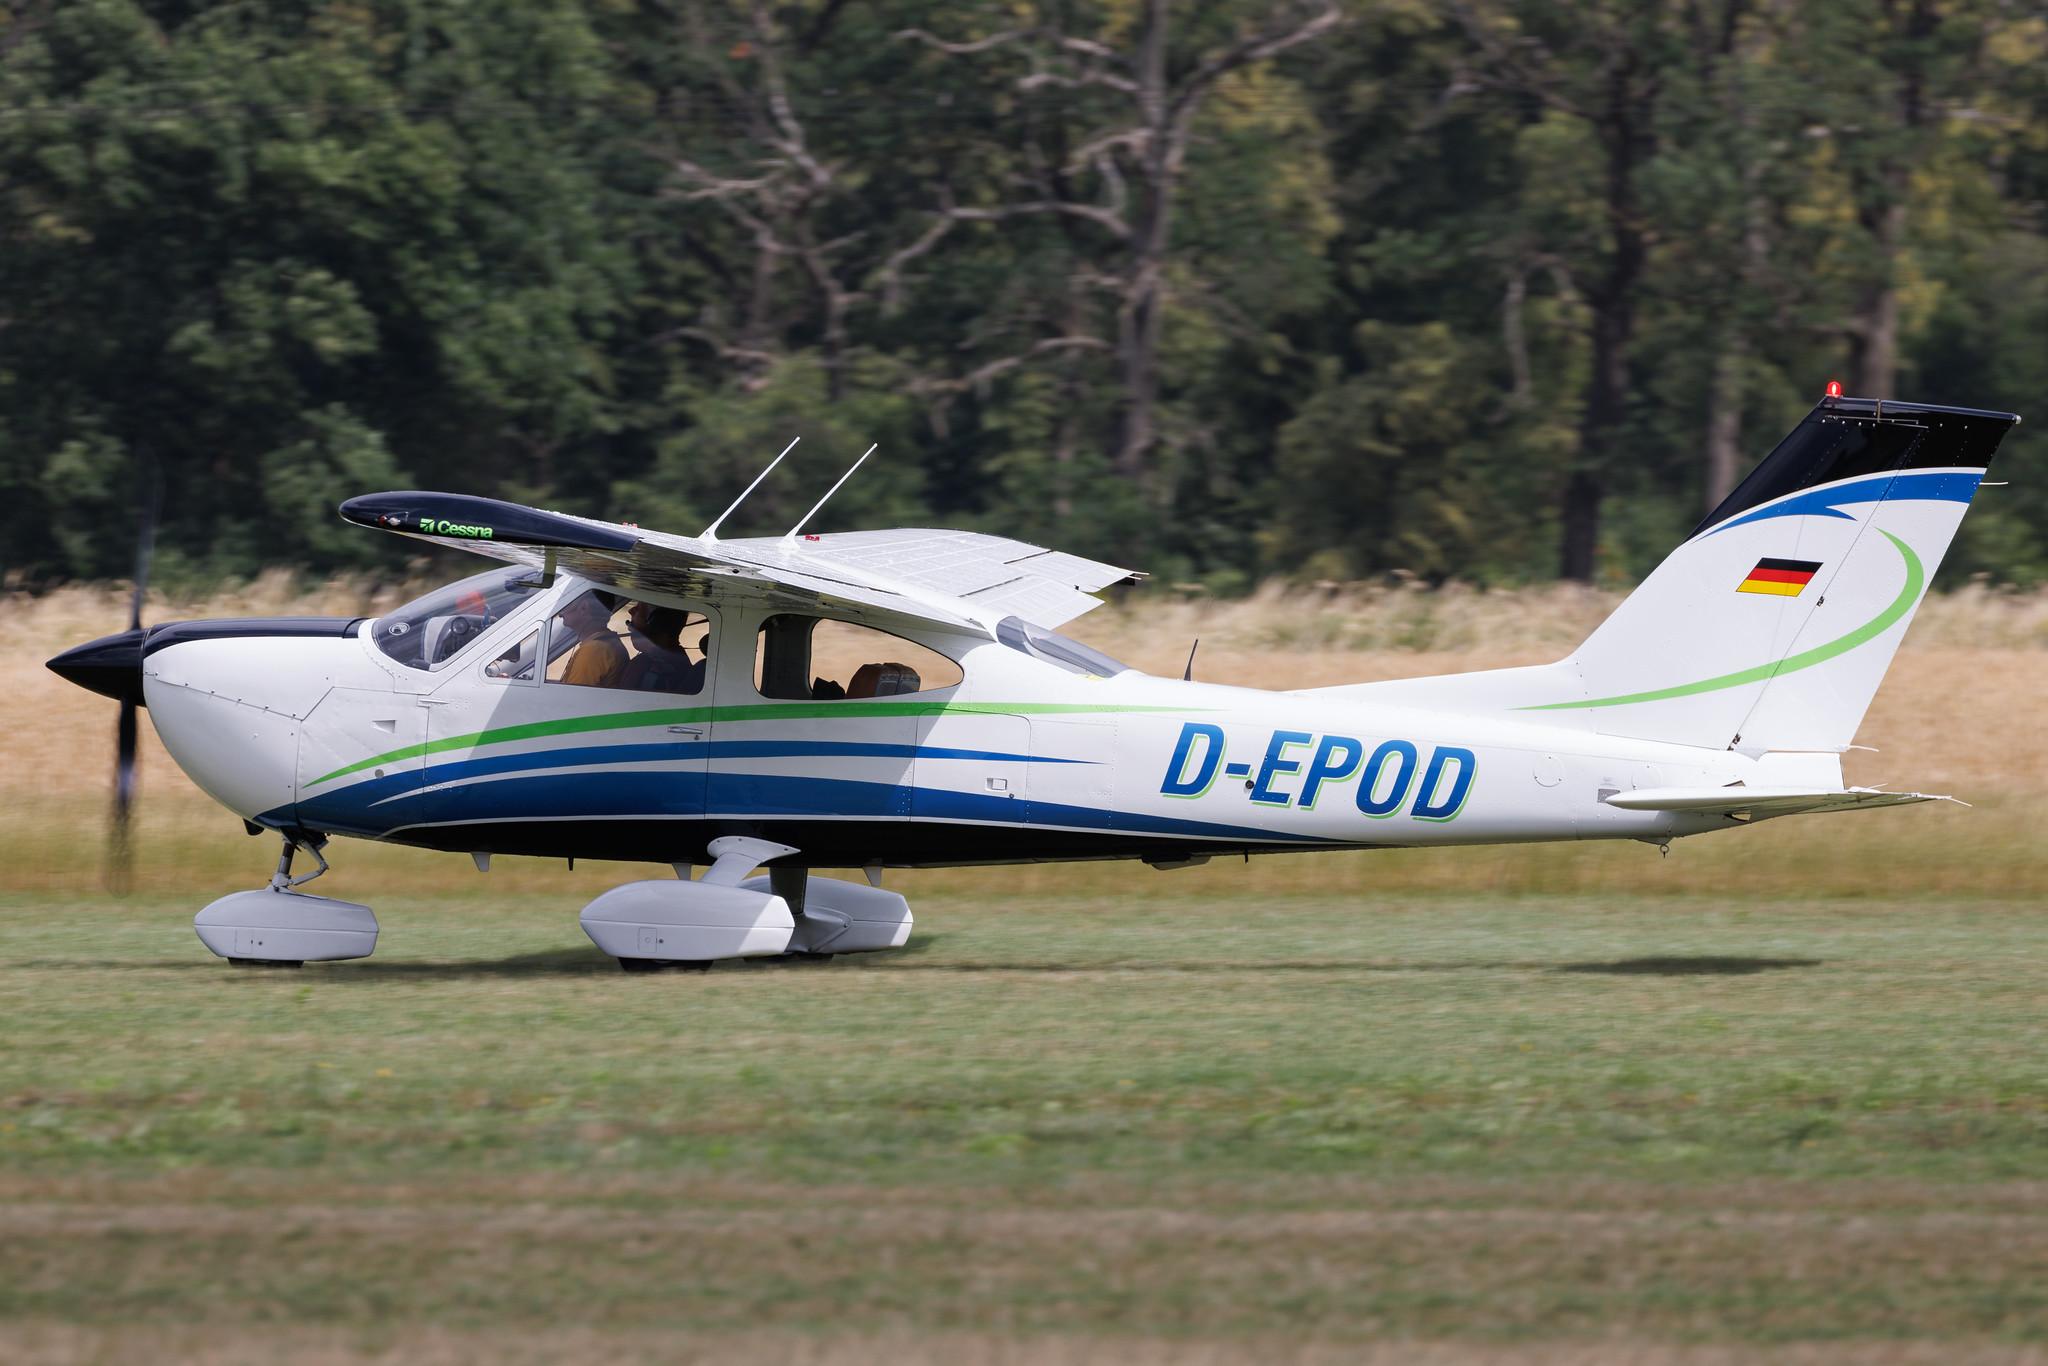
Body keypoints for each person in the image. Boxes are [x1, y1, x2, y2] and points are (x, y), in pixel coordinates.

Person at [554, 592, 627, 688]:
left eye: (567, 602)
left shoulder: (594, 650)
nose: (560, 613)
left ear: (584, 607)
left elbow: (574, 697)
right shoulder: (607, 643)